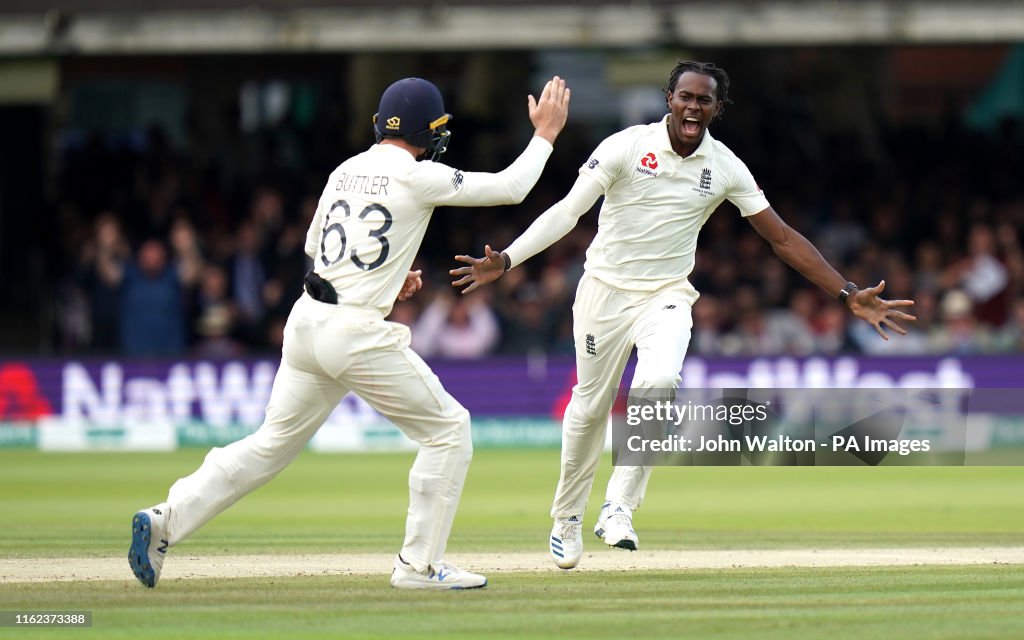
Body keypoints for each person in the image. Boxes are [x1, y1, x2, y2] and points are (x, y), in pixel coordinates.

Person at [450, 61, 915, 570]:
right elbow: (568, 211)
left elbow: (781, 237)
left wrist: (846, 292)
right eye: (686, 97)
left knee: (660, 382)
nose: (694, 107)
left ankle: (620, 507)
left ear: (718, 108)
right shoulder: (626, 146)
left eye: (704, 100)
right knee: (588, 408)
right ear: (669, 97)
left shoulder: (726, 167)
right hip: (603, 292)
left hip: (667, 294)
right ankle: (566, 518)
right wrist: (509, 258)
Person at [128, 75, 570, 590]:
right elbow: (511, 188)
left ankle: (166, 518)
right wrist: (546, 134)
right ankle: (419, 567)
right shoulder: (417, 175)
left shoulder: (345, 170)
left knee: (269, 445)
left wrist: (385, 275)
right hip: (353, 331)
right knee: (449, 431)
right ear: (429, 132)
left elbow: (320, 248)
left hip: (307, 320)